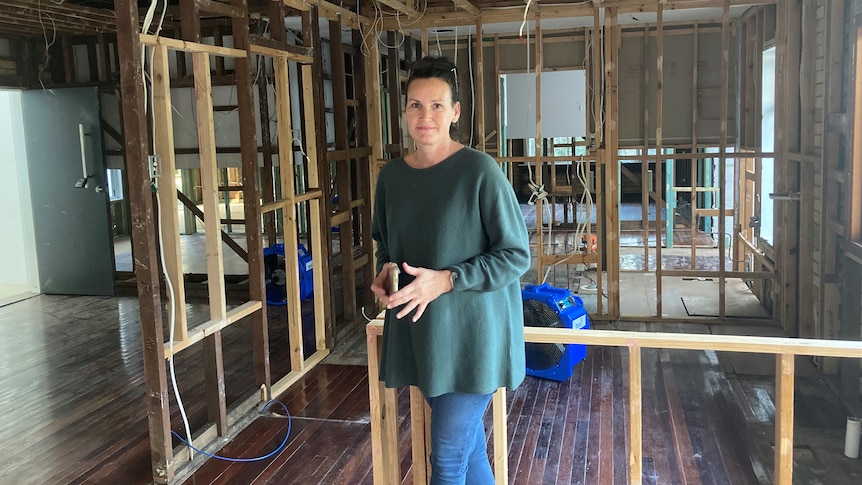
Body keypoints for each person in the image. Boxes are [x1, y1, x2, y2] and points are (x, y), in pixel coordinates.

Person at [370, 56, 531, 485]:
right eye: (415, 105)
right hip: (426, 337)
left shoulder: (480, 171)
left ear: (455, 112)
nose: (426, 116)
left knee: (445, 460)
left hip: (474, 339)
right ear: (403, 112)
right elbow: (386, 243)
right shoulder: (391, 178)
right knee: (469, 450)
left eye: (437, 105)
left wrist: (446, 279)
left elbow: (516, 255)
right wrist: (386, 273)